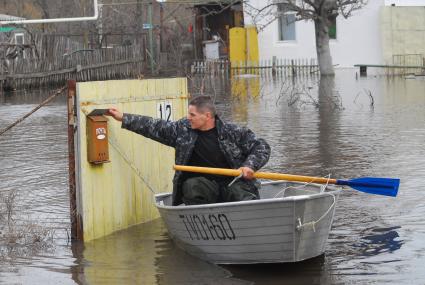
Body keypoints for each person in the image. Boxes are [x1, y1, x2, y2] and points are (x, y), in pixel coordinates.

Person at [107, 95, 270, 206]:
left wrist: (250, 166)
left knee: (241, 192)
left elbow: (261, 147)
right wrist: (123, 117)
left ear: (207, 116)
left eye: (192, 114)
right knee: (193, 186)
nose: (188, 117)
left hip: (232, 183)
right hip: (203, 188)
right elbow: (154, 126)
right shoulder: (182, 131)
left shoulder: (233, 132)